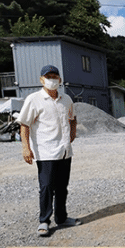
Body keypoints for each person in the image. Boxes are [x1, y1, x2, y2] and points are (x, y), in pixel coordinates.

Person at [17, 65, 81, 236]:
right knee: (46, 187)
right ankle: (44, 221)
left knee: (62, 187)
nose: (52, 79)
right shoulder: (34, 99)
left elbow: (72, 118)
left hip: (65, 151)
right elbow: (24, 124)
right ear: (41, 80)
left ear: (60, 80)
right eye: (48, 76)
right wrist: (26, 148)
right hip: (45, 152)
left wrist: (72, 133)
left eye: (55, 76)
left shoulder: (66, 99)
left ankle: (61, 218)